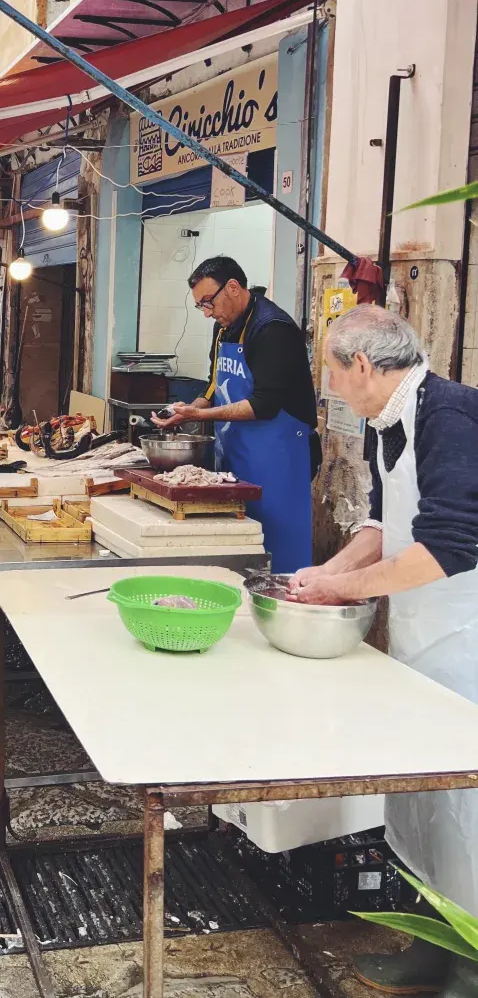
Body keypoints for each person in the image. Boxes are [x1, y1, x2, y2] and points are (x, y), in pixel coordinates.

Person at [287, 306, 478, 994]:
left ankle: (470, 965)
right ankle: (430, 945)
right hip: (423, 634)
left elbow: (450, 547)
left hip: (469, 636)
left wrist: (351, 593)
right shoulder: (385, 422)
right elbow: (382, 524)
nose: (334, 388)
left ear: (362, 365)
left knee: (466, 809)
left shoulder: (449, 417)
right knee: (420, 794)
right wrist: (325, 576)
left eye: (334, 374)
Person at [152, 255, 319, 573]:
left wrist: (198, 418)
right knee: (238, 548)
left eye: (207, 302)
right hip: (235, 456)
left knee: (276, 550)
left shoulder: (272, 329)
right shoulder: (223, 328)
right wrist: (191, 408)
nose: (206, 313)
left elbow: (264, 405)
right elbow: (214, 385)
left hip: (280, 461)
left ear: (231, 287)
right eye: (200, 306)